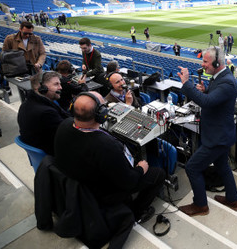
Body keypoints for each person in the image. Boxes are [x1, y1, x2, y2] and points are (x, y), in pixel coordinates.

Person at [54, 92, 165, 223]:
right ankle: (137, 213)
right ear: (101, 115)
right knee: (158, 174)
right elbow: (128, 182)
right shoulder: (105, 146)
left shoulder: (64, 124)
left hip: (78, 182)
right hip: (103, 192)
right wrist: (141, 169)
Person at [176, 47, 237, 216]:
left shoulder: (227, 82)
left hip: (217, 137)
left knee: (192, 168)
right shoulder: (219, 77)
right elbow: (213, 98)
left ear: (217, 63)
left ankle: (200, 205)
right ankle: (232, 199)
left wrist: (187, 84)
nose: (202, 64)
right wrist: (205, 90)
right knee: (222, 166)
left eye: (205, 61)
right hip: (221, 134)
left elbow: (207, 102)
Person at [17, 71, 70, 155]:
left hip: (43, 153)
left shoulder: (26, 104)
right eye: (56, 84)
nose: (61, 88)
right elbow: (69, 135)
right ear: (42, 88)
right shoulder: (47, 113)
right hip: (54, 157)